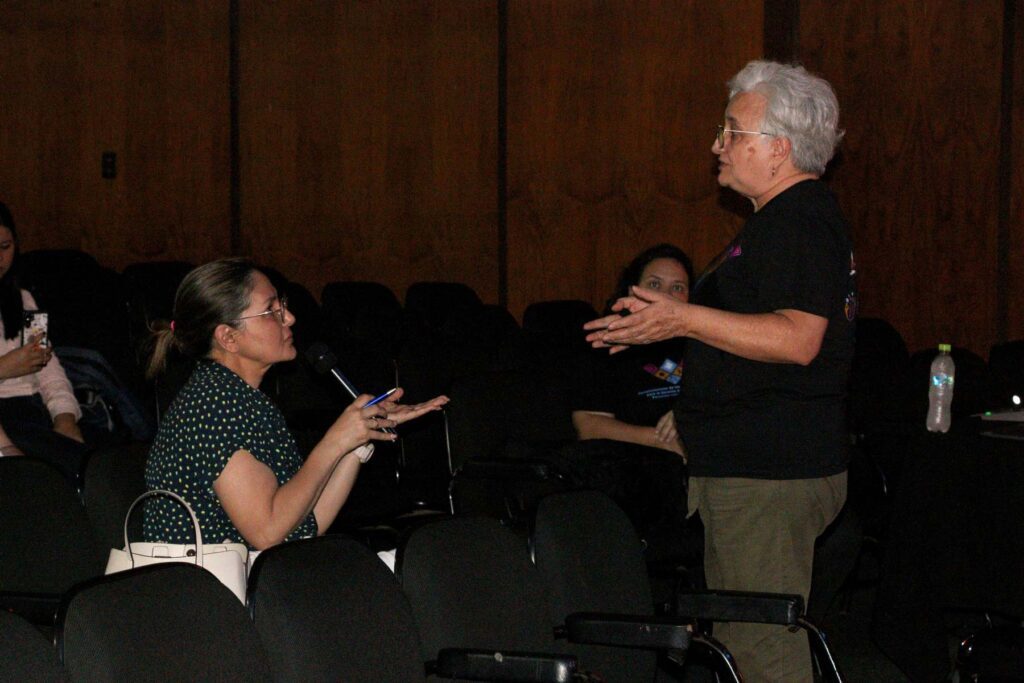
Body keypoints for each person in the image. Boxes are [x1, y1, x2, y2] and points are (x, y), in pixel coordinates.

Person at [585, 60, 856, 682]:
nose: (717, 146)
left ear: (779, 149)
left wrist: (682, 320)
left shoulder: (799, 221)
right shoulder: (781, 221)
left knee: (761, 649)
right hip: (757, 468)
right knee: (747, 639)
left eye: (732, 132)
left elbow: (798, 338)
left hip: (766, 476)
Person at [143, 258, 448, 551]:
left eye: (282, 305)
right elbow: (268, 532)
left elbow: (304, 525)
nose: (289, 318)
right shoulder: (213, 407)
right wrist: (335, 439)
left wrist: (357, 438)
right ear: (228, 337)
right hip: (203, 594)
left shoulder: (242, 397)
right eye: (270, 311)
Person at [569, 244, 692, 545]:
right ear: (632, 291)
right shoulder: (607, 341)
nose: (666, 296)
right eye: (654, 285)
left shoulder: (699, 344)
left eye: (678, 288)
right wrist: (665, 441)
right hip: (634, 468)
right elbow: (589, 425)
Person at [0, 202, 86, 477]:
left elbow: (48, 367)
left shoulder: (22, 299)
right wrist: (5, 368)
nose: (0, 258)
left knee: (94, 463)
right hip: (6, 419)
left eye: (5, 247)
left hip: (33, 409)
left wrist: (64, 417)